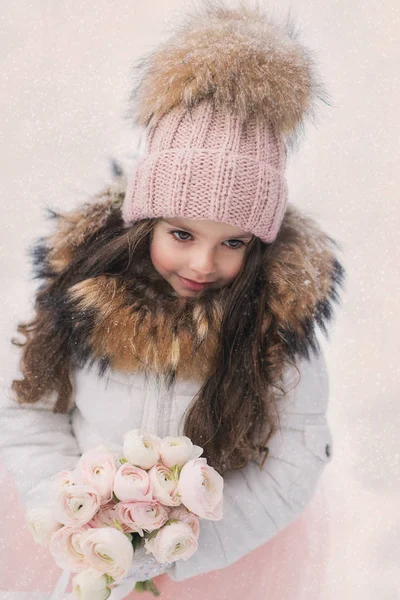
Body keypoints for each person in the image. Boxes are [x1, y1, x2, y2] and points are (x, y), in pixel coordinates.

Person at [0, 2, 345, 599]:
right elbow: (28, 408)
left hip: (221, 561)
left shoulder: (274, 328)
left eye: (232, 242)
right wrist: (80, 519)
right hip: (79, 550)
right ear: (144, 224)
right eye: (181, 234)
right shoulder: (82, 298)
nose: (203, 264)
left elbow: (292, 460)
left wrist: (174, 550)